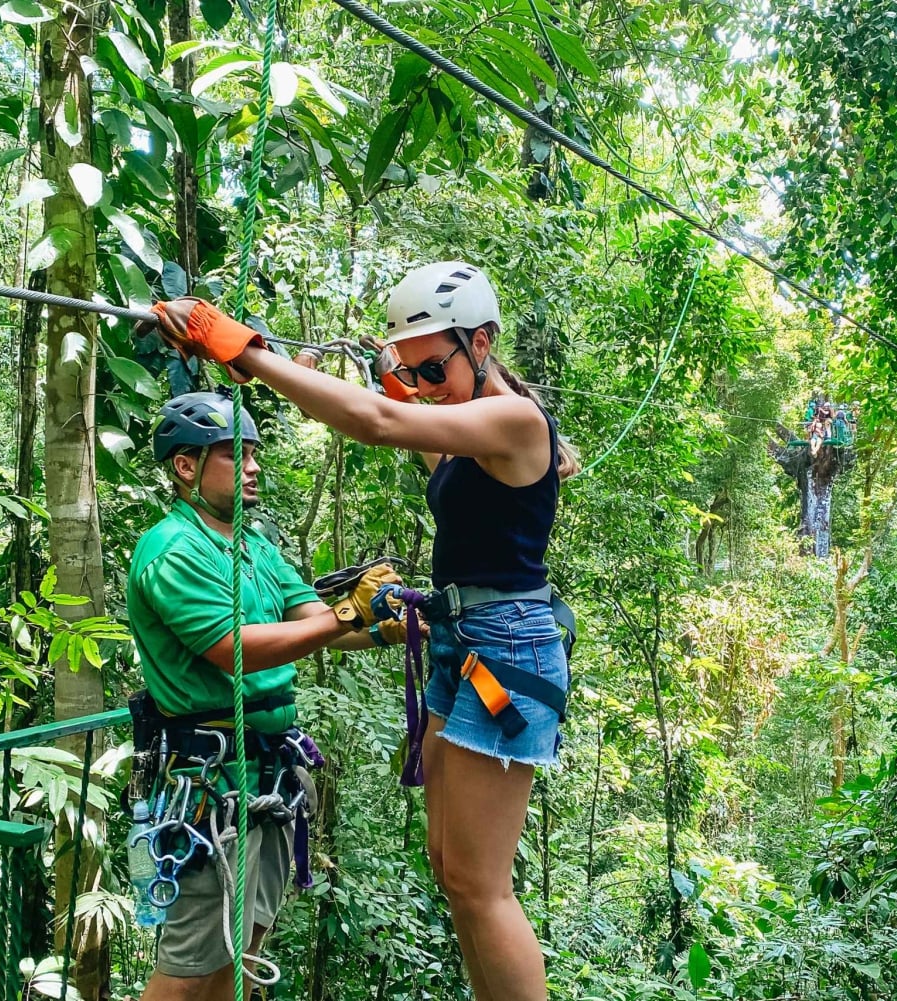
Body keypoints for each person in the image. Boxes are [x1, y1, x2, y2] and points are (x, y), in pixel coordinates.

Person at [149, 261, 574, 1001]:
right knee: (451, 867)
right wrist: (372, 373)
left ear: (483, 342)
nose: (425, 383)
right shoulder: (468, 424)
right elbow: (405, 420)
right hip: (465, 648)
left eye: (435, 366)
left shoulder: (515, 419)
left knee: (481, 884)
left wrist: (240, 348)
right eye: (414, 369)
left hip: (508, 651)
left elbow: (377, 423)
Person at [130, 387, 408, 1001]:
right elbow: (235, 649)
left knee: (243, 952)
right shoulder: (172, 551)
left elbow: (312, 619)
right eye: (237, 454)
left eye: (255, 453)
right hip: (209, 781)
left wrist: (380, 628)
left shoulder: (253, 547)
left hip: (267, 776)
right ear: (187, 465)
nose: (255, 466)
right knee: (191, 968)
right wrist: (344, 616)